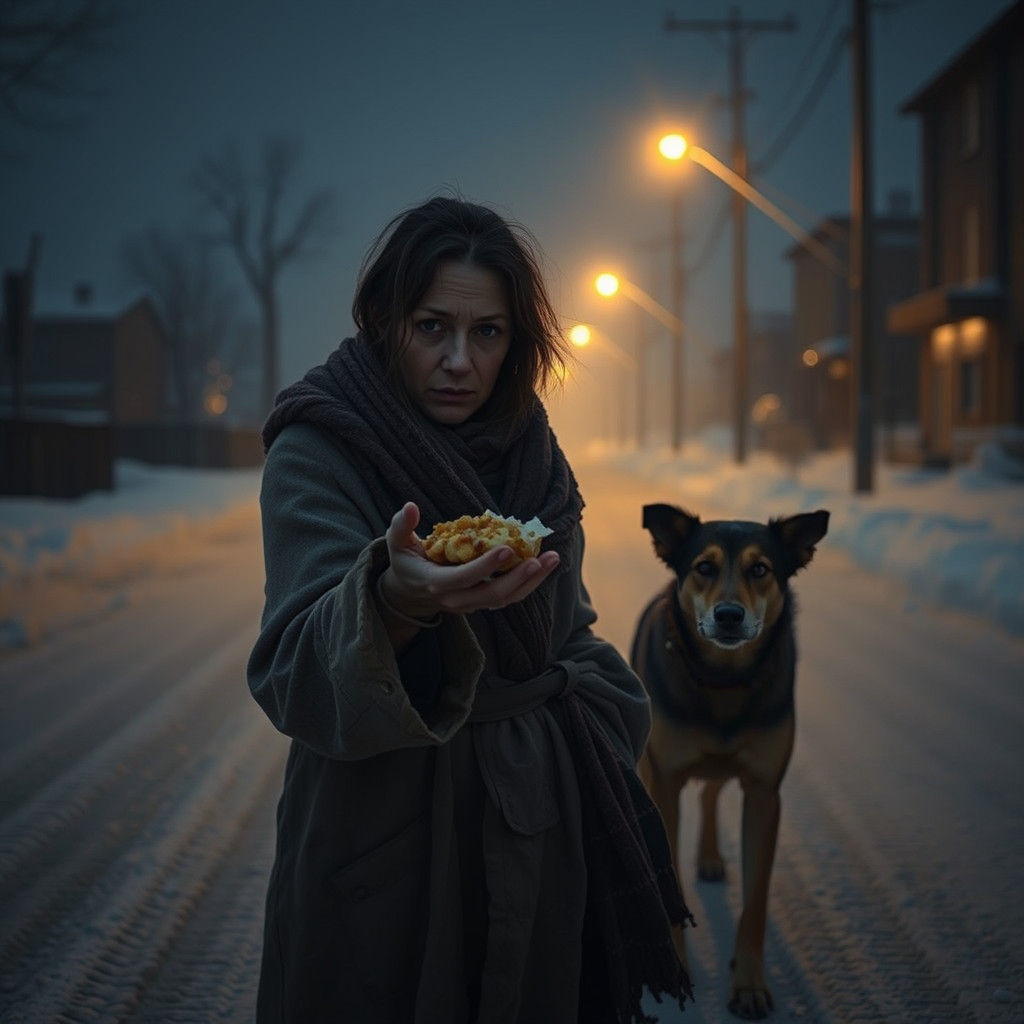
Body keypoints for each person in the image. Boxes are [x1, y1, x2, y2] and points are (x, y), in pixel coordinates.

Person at [247, 195, 693, 1024]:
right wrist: (390, 602)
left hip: (534, 823)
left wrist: (604, 714)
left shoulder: (533, 453)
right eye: (432, 327)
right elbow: (294, 665)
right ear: (386, 321)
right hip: (379, 827)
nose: (460, 360)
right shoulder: (322, 446)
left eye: (487, 332)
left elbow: (572, 634)